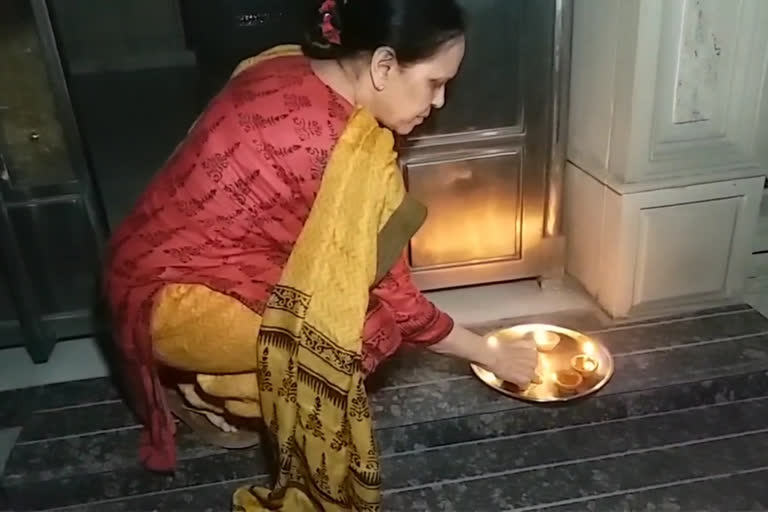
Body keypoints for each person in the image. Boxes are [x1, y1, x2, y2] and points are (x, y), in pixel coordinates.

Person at [105, 0, 537, 510]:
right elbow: (399, 304)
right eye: (434, 83)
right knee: (356, 333)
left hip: (135, 262)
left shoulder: (284, 61)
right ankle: (215, 390)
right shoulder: (345, 153)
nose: (439, 102)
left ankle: (209, 380)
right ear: (382, 66)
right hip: (172, 301)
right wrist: (490, 353)